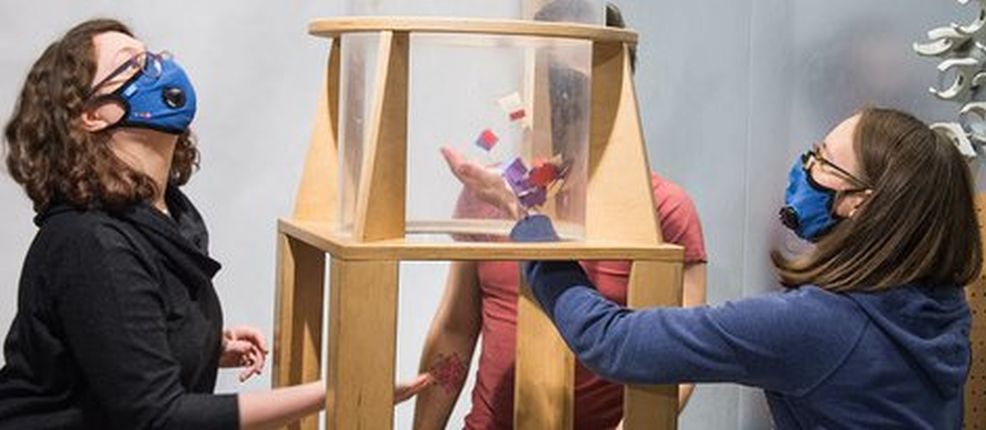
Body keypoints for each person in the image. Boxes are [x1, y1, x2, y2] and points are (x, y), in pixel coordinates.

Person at [524, 108, 980, 429]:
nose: (805, 168)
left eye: (822, 160)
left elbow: (614, 342)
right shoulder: (940, 308)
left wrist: (534, 239)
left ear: (859, 202)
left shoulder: (820, 326)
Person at [395, 4, 709, 429]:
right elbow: (456, 328)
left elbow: (680, 359)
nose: (559, 95)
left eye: (572, 78)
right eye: (546, 73)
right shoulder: (488, 192)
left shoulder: (664, 210)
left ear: (618, 85)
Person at [0, 19, 323, 429]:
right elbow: (158, 417)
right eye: (132, 65)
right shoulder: (93, 241)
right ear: (93, 114)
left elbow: (116, 340)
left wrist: (203, 346)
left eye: (152, 57)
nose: (160, 69)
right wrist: (332, 391)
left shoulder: (161, 219)